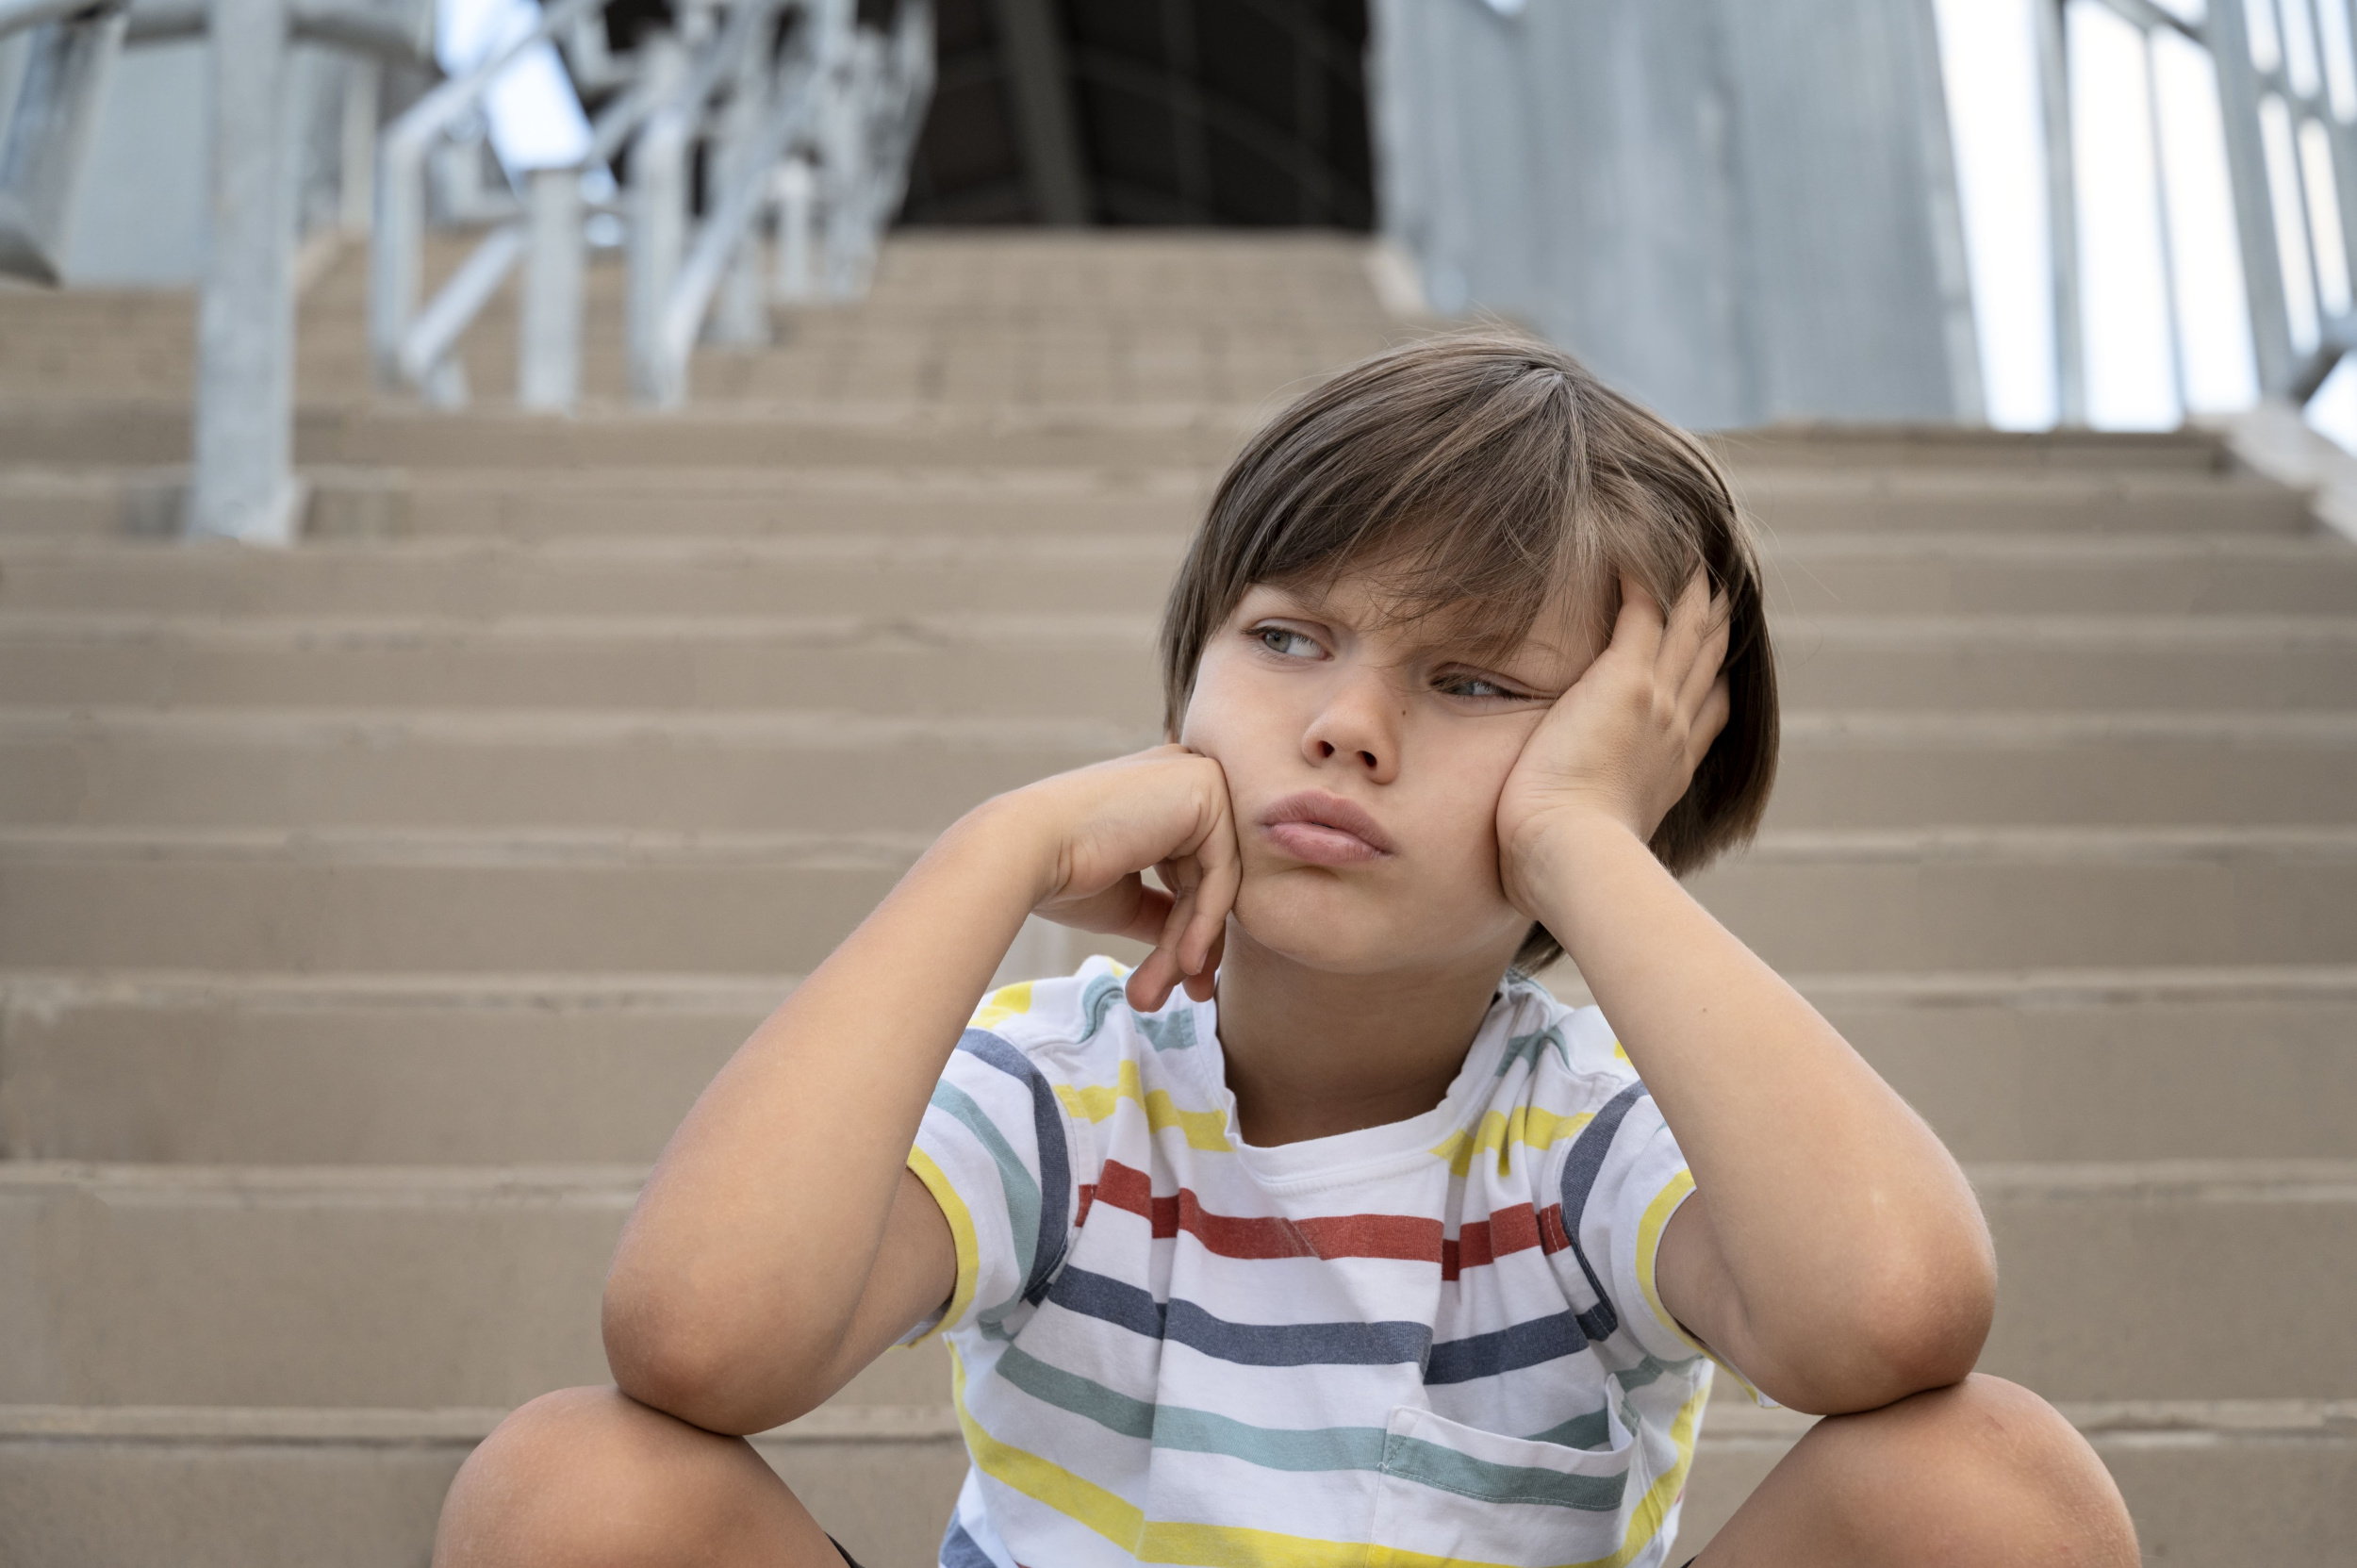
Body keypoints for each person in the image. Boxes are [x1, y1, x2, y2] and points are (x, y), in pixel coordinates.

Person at [433, 334, 2139, 1567]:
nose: (1347, 724)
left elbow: (1895, 1318)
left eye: (1475, 684)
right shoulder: (1068, 1085)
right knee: (580, 1486)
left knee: (1983, 1483)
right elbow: (695, 1344)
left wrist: (1582, 850)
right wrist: (993, 855)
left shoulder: (1585, 1133)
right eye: (1287, 637)